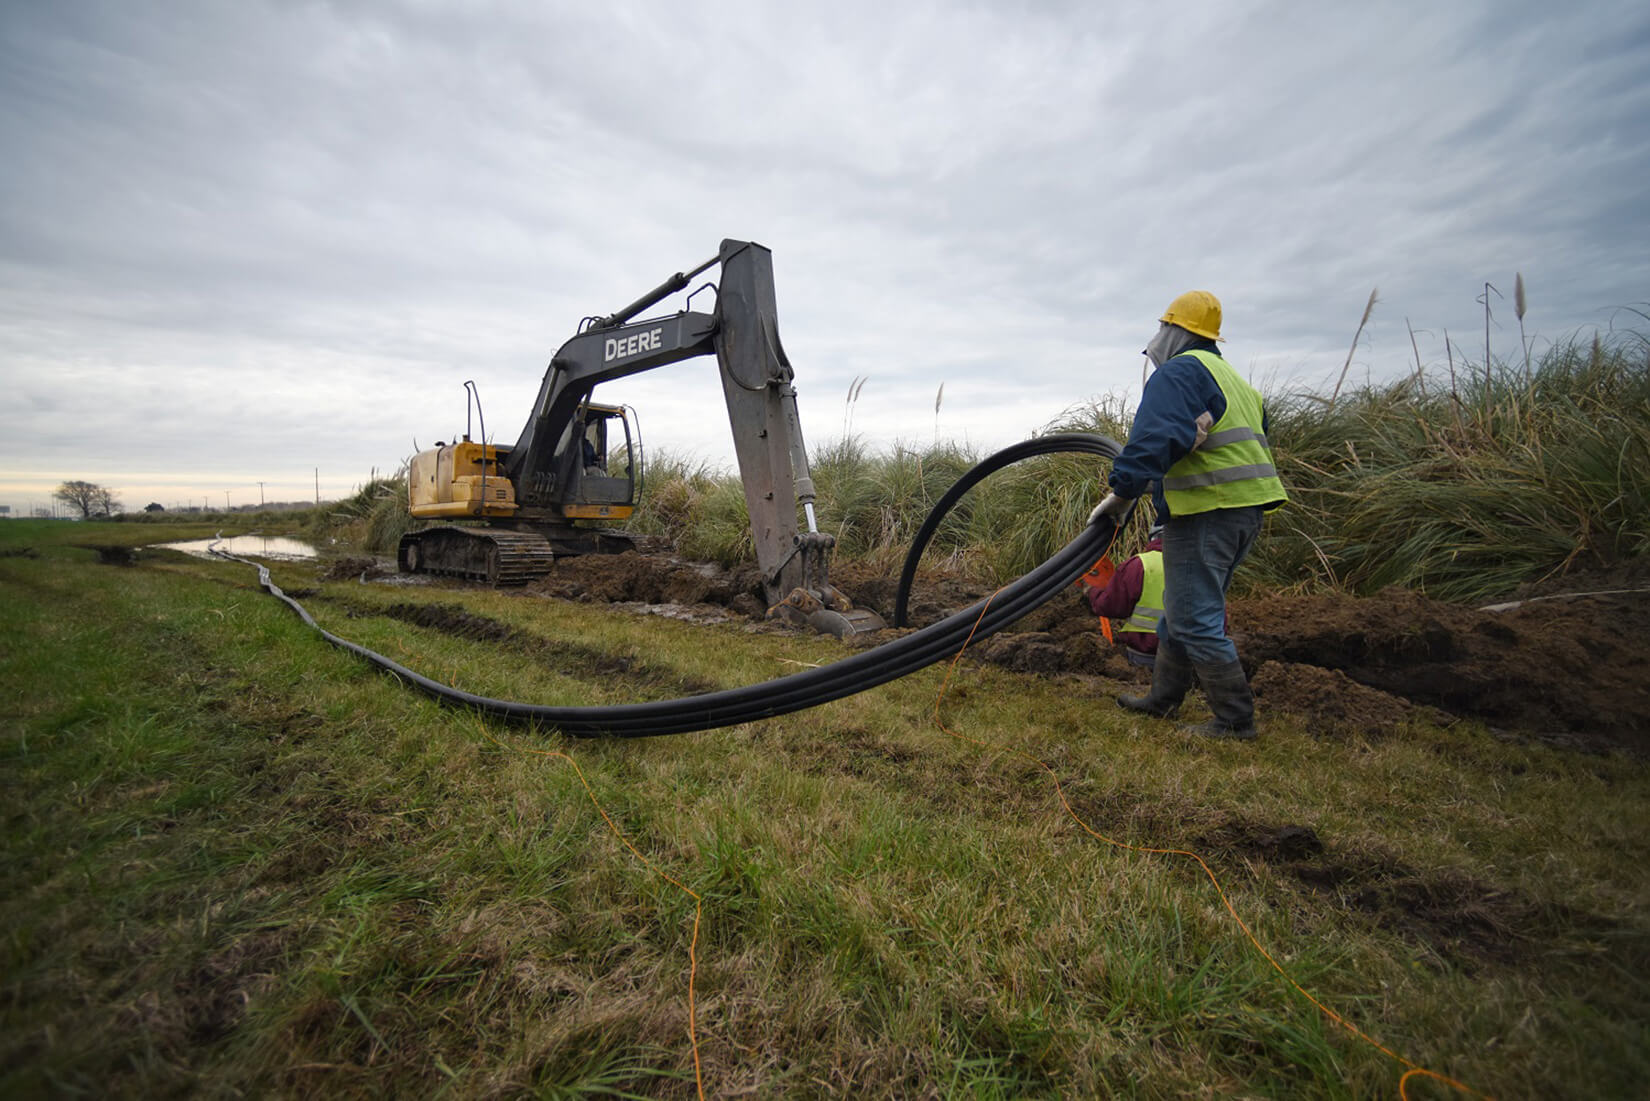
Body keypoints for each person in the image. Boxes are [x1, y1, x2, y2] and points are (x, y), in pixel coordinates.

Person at [1089, 291, 1287, 740]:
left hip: (1207, 510)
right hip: (1245, 511)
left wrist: (1123, 492)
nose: (1155, 339)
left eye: (1161, 328)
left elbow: (1156, 437)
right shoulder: (1234, 380)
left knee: (1195, 618)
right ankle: (1163, 699)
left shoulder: (1180, 373)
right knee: (1180, 610)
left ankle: (1236, 722)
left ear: (1176, 331)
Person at [1082, 526, 1166, 667]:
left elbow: (1109, 606)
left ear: (1153, 538)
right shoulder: (1201, 566)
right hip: (1189, 657)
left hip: (1144, 656)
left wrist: (1091, 591)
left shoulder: (1138, 565)